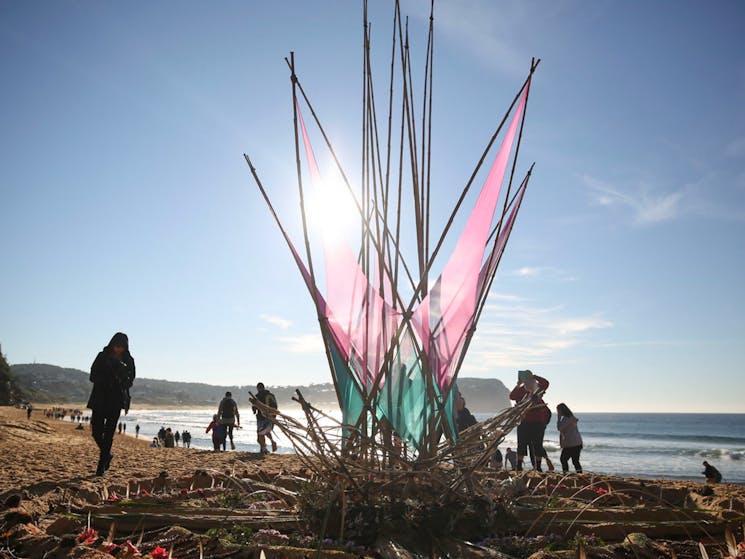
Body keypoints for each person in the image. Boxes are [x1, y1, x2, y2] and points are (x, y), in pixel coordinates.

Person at [87, 332, 135, 476]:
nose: (118, 349)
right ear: (112, 344)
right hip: (100, 398)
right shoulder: (102, 356)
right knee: (96, 432)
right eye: (116, 346)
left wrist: (121, 376)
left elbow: (130, 381)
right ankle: (107, 455)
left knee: (109, 434)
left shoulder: (129, 360)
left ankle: (100, 467)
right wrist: (106, 375)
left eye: (121, 347)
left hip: (116, 400)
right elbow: (92, 376)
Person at [509, 369, 550, 471]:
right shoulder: (522, 390)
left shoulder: (537, 389)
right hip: (524, 421)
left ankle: (538, 467)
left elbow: (546, 383)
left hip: (537, 422)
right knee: (521, 444)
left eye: (528, 377)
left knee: (537, 444)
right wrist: (518, 385)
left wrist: (534, 376)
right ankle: (519, 466)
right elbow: (512, 396)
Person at [556, 403, 583, 473]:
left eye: (558, 411)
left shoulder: (566, 418)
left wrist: (558, 418)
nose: (557, 412)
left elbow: (559, 428)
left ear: (561, 410)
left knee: (563, 459)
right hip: (576, 442)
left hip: (572, 443)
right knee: (575, 461)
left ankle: (566, 474)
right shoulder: (570, 417)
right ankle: (579, 475)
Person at [252, 383, 278, 453]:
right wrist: (274, 416)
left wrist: (254, 410)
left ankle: (264, 448)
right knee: (265, 432)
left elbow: (254, 408)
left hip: (262, 417)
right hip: (270, 417)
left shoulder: (258, 396)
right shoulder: (271, 395)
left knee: (260, 434)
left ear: (258, 388)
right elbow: (275, 406)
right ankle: (268, 444)